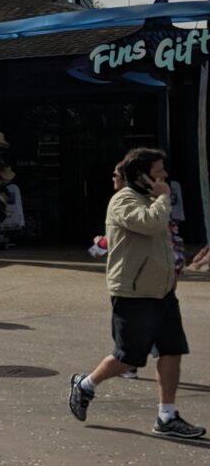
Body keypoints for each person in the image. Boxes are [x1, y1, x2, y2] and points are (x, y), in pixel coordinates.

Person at [68, 147, 204, 439]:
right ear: (142, 175)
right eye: (158, 172)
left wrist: (172, 274)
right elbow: (149, 224)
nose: (164, 176)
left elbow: (164, 241)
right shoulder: (123, 200)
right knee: (128, 357)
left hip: (161, 292)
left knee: (172, 349)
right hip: (133, 292)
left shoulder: (151, 199)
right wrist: (164, 196)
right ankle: (85, 385)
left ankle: (167, 416)